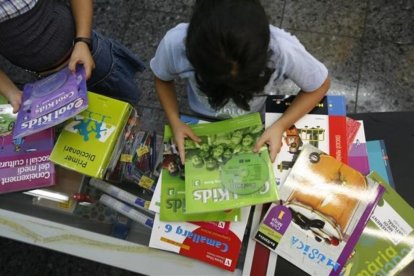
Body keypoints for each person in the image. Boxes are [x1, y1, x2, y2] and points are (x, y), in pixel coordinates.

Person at [150, 0, 330, 164]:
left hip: (253, 116)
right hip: (200, 115)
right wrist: (174, 120)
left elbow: (320, 85)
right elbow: (162, 78)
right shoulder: (175, 44)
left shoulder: (283, 51)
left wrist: (281, 125)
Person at [0, 0, 144, 114]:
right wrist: (10, 91)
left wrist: (82, 42)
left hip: (90, 54)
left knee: (126, 106)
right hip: (49, 81)